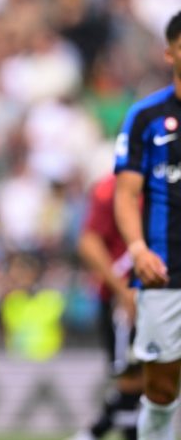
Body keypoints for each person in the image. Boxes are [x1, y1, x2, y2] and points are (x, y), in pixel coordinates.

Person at [115, 10, 181, 440]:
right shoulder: (146, 117)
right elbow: (125, 194)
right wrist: (138, 249)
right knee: (160, 389)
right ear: (169, 53)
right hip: (164, 270)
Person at [69, 173, 141, 440]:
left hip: (161, 294)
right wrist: (122, 291)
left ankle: (92, 433)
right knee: (134, 378)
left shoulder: (166, 182)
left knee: (152, 381)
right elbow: (88, 242)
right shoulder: (111, 188)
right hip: (122, 299)